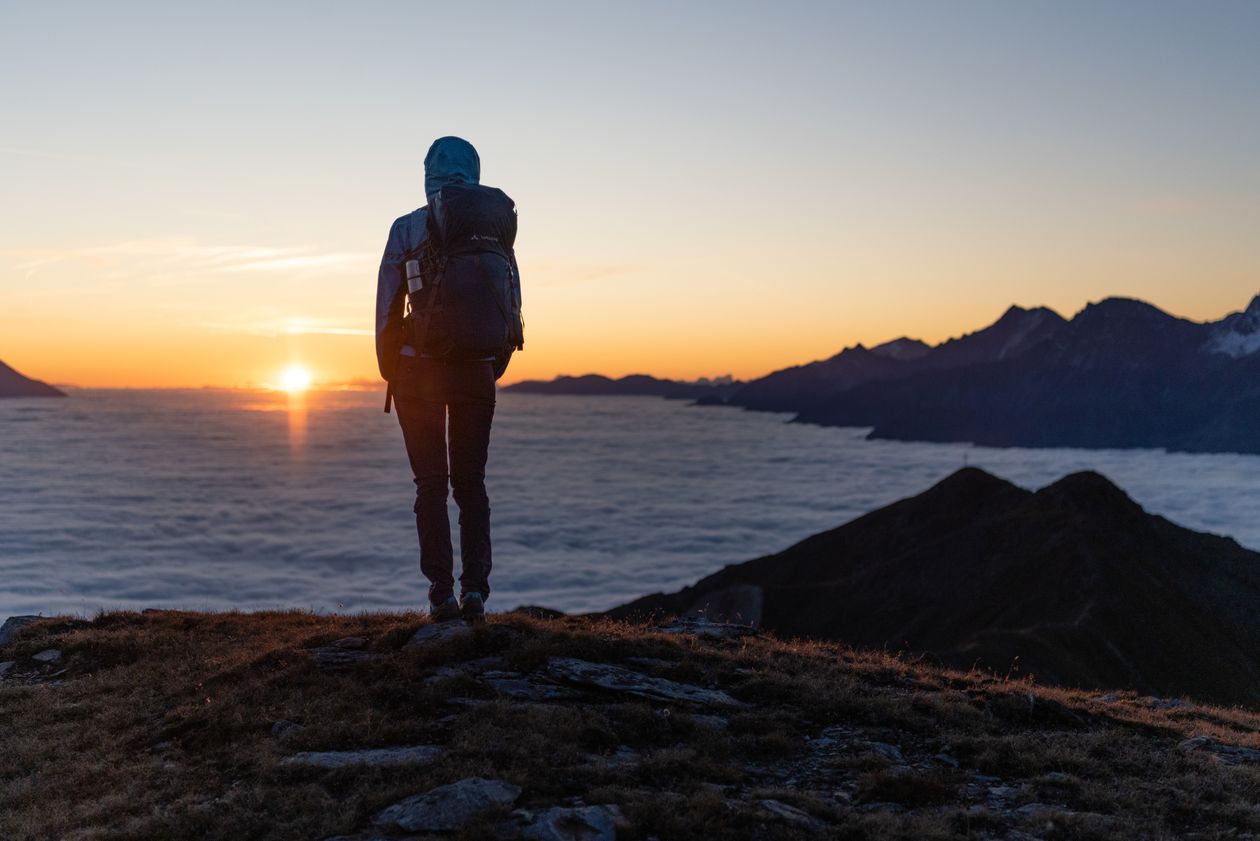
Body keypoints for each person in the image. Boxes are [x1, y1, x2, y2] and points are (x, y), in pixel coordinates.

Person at [375, 136, 521, 623]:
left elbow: (387, 303)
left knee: (430, 485)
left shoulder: (407, 226)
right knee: (471, 485)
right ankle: (476, 591)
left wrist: (391, 365)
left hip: (418, 370)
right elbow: (511, 301)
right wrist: (489, 364)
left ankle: (440, 593)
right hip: (477, 371)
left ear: (428, 171)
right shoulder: (494, 226)